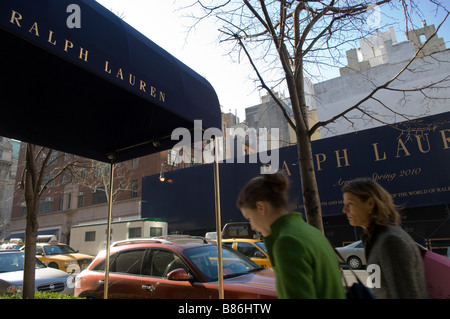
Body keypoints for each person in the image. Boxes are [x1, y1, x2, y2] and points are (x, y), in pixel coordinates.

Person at [236, 172, 346, 299]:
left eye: (249, 217)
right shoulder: (310, 231)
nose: (252, 226)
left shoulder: (287, 243)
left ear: (261, 207)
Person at [341, 178, 428, 299]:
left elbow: (406, 294)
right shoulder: (374, 240)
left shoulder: (391, 242)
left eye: (350, 203)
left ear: (370, 203)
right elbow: (379, 289)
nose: (344, 210)